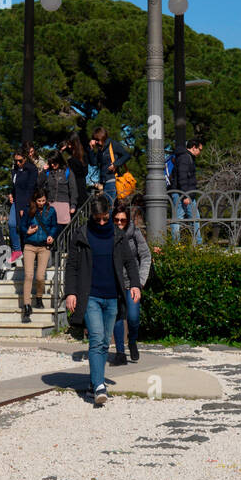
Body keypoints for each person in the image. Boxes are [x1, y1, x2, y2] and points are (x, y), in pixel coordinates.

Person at [64, 194, 141, 407]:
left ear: (109, 214)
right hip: (90, 296)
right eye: (97, 218)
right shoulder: (81, 235)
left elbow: (130, 262)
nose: (101, 222)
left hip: (113, 297)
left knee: (105, 342)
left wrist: (135, 284)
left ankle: (92, 383)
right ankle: (99, 386)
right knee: (97, 338)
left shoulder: (117, 235)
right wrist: (70, 292)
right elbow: (71, 266)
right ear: (91, 215)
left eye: (105, 217)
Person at [110, 199, 151, 365]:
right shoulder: (109, 234)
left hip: (133, 282)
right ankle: (120, 351)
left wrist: (140, 281)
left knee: (133, 317)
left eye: (123, 220)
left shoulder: (134, 233)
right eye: (116, 220)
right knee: (117, 317)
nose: (120, 223)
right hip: (115, 282)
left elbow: (146, 256)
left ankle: (132, 340)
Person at [21, 187, 57, 322]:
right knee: (29, 275)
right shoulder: (28, 210)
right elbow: (22, 226)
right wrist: (27, 231)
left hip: (44, 246)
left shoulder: (51, 211)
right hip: (29, 245)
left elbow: (54, 226)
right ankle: (26, 306)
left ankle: (39, 297)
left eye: (43, 200)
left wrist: (52, 236)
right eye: (39, 200)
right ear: (34, 200)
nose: (41, 203)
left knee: (40, 276)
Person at [170, 138, 203, 243]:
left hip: (183, 193)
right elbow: (182, 177)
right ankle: (195, 243)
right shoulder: (185, 158)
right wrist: (186, 195)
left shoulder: (185, 157)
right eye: (200, 149)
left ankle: (192, 243)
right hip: (183, 194)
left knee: (188, 218)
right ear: (194, 147)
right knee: (181, 219)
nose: (200, 152)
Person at [8, 149, 38, 262]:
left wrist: (24, 207)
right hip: (16, 201)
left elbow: (30, 189)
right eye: (15, 161)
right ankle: (17, 250)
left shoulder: (32, 169)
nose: (17, 163)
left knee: (24, 227)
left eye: (20, 161)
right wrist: (11, 194)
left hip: (26, 202)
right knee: (11, 224)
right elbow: (15, 186)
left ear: (25, 158)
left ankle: (29, 251)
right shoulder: (15, 170)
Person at [88, 126, 130, 205]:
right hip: (103, 183)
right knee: (105, 208)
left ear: (102, 137)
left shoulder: (113, 144)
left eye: (97, 140)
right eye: (94, 140)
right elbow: (93, 163)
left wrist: (116, 164)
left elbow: (126, 155)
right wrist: (91, 149)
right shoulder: (100, 149)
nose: (96, 142)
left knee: (109, 208)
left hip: (112, 181)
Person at [46, 150, 78, 234]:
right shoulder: (47, 172)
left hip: (63, 206)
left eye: (54, 163)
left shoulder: (68, 172)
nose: (52, 165)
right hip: (50, 205)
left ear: (59, 160)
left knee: (63, 233)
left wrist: (73, 205)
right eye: (50, 163)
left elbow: (73, 189)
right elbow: (40, 186)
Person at [65, 133, 90, 210]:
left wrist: (72, 161)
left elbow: (85, 172)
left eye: (70, 144)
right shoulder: (68, 153)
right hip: (70, 186)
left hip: (80, 186)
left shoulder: (83, 154)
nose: (68, 146)